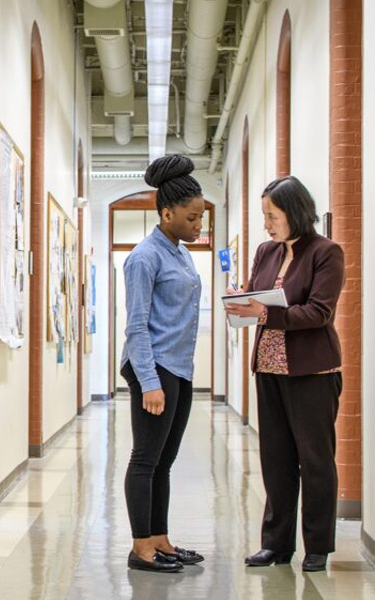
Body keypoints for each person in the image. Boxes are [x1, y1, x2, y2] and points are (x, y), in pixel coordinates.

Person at [225, 176, 345, 573]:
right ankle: (275, 544)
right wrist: (242, 301)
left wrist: (263, 312)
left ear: (295, 212)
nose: (266, 223)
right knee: (275, 459)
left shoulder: (326, 253)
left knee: (315, 461)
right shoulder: (266, 252)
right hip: (270, 369)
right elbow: (257, 295)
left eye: (271, 215)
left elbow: (319, 312)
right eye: (264, 215)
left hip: (312, 372)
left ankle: (317, 546)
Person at [121, 155, 206, 573]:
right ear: (167, 213)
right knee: (145, 460)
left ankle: (161, 539)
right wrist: (149, 382)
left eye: (201, 218)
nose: (198, 226)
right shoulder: (144, 257)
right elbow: (136, 328)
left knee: (165, 461)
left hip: (180, 367)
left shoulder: (180, 252)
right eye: (191, 218)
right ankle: (141, 549)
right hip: (154, 369)